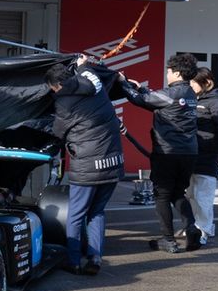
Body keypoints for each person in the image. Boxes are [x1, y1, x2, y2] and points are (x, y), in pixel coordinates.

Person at [46, 56, 124, 275]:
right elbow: (89, 72)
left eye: (52, 88)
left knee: (76, 214)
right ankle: (95, 259)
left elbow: (58, 132)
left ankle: (73, 261)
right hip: (113, 163)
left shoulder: (64, 103)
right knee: (97, 211)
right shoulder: (94, 84)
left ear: (58, 85)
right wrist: (83, 64)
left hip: (87, 166)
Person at [120, 52, 202, 253]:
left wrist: (122, 83)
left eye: (169, 71)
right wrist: (141, 88)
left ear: (177, 73)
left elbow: (140, 100)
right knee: (178, 192)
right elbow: (157, 102)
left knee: (162, 195)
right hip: (189, 152)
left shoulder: (172, 93)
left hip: (167, 152)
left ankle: (168, 240)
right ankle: (191, 229)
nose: (167, 74)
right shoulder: (190, 93)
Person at [186, 67, 218, 243]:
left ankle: (203, 230)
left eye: (193, 82)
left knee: (203, 196)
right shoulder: (193, 98)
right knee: (191, 194)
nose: (190, 85)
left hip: (208, 155)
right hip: (191, 154)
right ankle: (194, 227)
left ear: (207, 82)